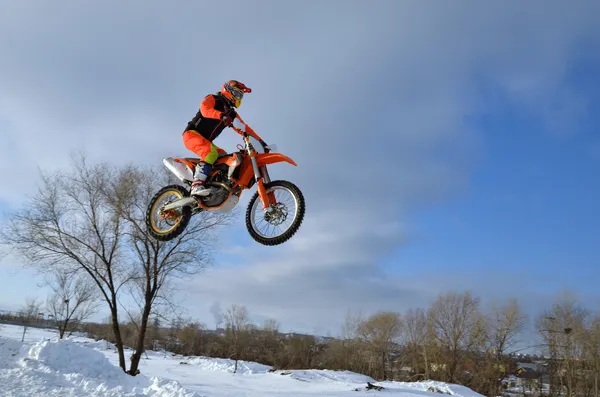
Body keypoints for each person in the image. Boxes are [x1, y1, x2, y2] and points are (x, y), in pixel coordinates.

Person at [182, 80, 267, 197]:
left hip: (205, 141)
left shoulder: (231, 113)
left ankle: (211, 184)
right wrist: (221, 115)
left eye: (240, 96)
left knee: (224, 157)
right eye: (237, 94)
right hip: (191, 134)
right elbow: (205, 110)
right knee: (210, 152)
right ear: (228, 90)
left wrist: (261, 142)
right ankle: (197, 185)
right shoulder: (213, 98)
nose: (238, 98)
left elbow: (244, 128)